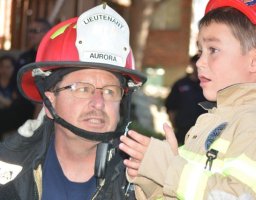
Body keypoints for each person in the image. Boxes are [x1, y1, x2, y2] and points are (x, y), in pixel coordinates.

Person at [119, 0, 256, 199]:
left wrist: (168, 167)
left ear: (255, 60)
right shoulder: (210, 123)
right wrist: (151, 179)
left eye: (213, 50)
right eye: (201, 51)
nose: (200, 62)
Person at [0, 3, 146, 200]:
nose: (99, 103)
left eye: (110, 91)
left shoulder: (144, 181)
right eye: (83, 89)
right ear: (50, 102)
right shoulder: (8, 172)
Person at [165, 54, 207, 145]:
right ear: (191, 64)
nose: (198, 66)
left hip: (203, 134)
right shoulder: (180, 84)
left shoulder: (209, 85)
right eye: (195, 62)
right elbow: (171, 107)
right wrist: (175, 124)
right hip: (182, 132)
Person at [0, 55, 34, 136]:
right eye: (2, 66)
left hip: (11, 118)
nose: (4, 70)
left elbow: (18, 106)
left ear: (13, 68)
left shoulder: (18, 85)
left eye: (8, 67)